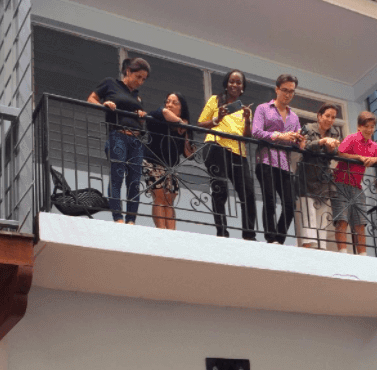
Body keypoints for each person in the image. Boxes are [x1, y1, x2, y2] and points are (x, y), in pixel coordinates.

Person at [87, 57, 150, 224]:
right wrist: (105, 104)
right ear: (128, 71)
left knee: (135, 181)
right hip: (118, 135)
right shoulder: (110, 84)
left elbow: (140, 121)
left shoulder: (137, 96)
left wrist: (142, 117)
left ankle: (131, 220)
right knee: (117, 175)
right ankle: (118, 217)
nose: (140, 82)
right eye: (138, 77)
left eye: (143, 79)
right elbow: (91, 98)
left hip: (136, 140)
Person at [198, 70, 257, 240]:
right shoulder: (215, 100)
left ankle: (249, 234)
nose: (234, 85)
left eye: (238, 83)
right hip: (216, 146)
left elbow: (247, 137)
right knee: (220, 189)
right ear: (226, 84)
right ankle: (222, 232)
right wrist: (217, 118)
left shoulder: (245, 109)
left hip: (239, 153)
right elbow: (201, 124)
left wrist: (247, 120)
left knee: (248, 193)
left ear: (243, 88)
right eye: (232, 81)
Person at [252, 74, 305, 245]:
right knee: (270, 201)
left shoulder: (294, 117)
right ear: (277, 89)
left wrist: (299, 142)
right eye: (285, 90)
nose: (288, 94)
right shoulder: (263, 109)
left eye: (291, 91)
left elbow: (294, 142)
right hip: (266, 160)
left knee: (290, 205)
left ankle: (279, 239)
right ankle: (270, 238)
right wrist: (280, 136)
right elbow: (256, 132)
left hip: (285, 164)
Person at [333, 112, 377, 255]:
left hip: (357, 186)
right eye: (366, 126)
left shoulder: (373, 145)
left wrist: (375, 160)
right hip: (341, 183)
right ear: (359, 127)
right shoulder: (352, 138)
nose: (369, 130)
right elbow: (340, 153)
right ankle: (343, 253)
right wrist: (359, 157)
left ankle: (363, 256)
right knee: (342, 220)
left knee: (360, 222)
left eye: (372, 127)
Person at [143, 94, 195, 229]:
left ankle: (171, 233)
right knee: (159, 197)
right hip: (153, 161)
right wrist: (180, 122)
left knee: (169, 200)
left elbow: (189, 154)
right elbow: (165, 112)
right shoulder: (159, 114)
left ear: (182, 108)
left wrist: (186, 132)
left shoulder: (182, 126)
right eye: (168, 101)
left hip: (171, 167)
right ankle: (161, 232)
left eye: (175, 103)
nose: (169, 105)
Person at [296, 103, 341, 249]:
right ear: (319, 116)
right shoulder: (308, 128)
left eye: (333, 117)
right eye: (327, 116)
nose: (330, 120)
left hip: (324, 177)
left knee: (322, 215)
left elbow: (334, 154)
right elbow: (304, 147)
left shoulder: (334, 133)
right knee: (308, 214)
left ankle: (321, 249)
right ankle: (308, 248)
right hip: (307, 175)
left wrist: (330, 148)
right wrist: (322, 141)